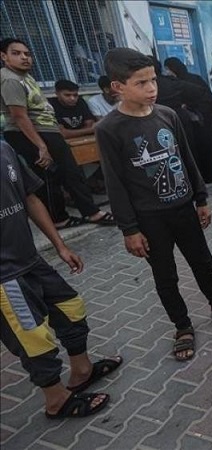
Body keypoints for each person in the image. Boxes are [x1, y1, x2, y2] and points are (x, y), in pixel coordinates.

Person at [95, 48, 212, 362]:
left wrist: (201, 198)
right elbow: (114, 182)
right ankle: (182, 326)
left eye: (153, 80)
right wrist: (129, 229)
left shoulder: (167, 115)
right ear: (118, 87)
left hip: (183, 208)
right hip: (149, 218)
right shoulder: (109, 129)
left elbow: (185, 158)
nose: (151, 88)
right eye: (141, 83)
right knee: (165, 275)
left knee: (202, 261)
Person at [0, 141, 122, 420]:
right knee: (34, 340)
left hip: (31, 260)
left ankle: (82, 371)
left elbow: (30, 198)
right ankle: (56, 400)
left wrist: (60, 246)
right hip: (5, 277)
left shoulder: (5, 149)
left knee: (71, 308)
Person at [1, 38, 114, 230]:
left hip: (45, 131)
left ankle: (86, 212)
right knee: (49, 177)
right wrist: (41, 146)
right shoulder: (10, 79)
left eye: (27, 54)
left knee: (70, 173)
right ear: (4, 56)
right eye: (16, 53)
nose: (24, 58)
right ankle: (61, 218)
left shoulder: (23, 77)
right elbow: (19, 116)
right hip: (31, 133)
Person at [164, 57, 212, 183]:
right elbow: (210, 98)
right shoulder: (194, 79)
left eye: (168, 69)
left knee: (201, 148)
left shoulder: (180, 84)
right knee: (207, 148)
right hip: (205, 118)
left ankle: (205, 176)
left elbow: (206, 97)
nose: (167, 72)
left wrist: (187, 106)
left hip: (198, 120)